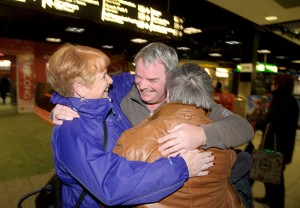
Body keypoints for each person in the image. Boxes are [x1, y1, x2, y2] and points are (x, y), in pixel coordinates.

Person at [47, 43, 214, 207]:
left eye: (152, 79)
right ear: (81, 89)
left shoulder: (106, 102)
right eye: (103, 75)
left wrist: (202, 134)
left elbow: (126, 79)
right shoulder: (71, 131)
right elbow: (111, 184)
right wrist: (180, 167)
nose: (110, 80)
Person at [51, 42, 254, 157]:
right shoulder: (119, 94)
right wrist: (61, 106)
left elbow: (243, 127)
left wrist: (201, 135)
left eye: (153, 80)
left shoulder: (190, 101)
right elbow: (81, 90)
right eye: (138, 76)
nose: (142, 85)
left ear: (173, 77)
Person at [113, 63, 244, 208]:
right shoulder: (225, 146)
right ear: (209, 98)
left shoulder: (132, 140)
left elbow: (113, 191)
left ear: (168, 93)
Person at [254, 74, 299, 208]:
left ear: (280, 84)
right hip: (274, 145)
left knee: (276, 180)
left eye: (274, 82)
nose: (272, 84)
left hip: (279, 147)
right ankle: (268, 197)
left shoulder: (287, 101)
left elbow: (276, 124)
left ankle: (277, 204)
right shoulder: (280, 98)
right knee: (268, 176)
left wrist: (260, 124)